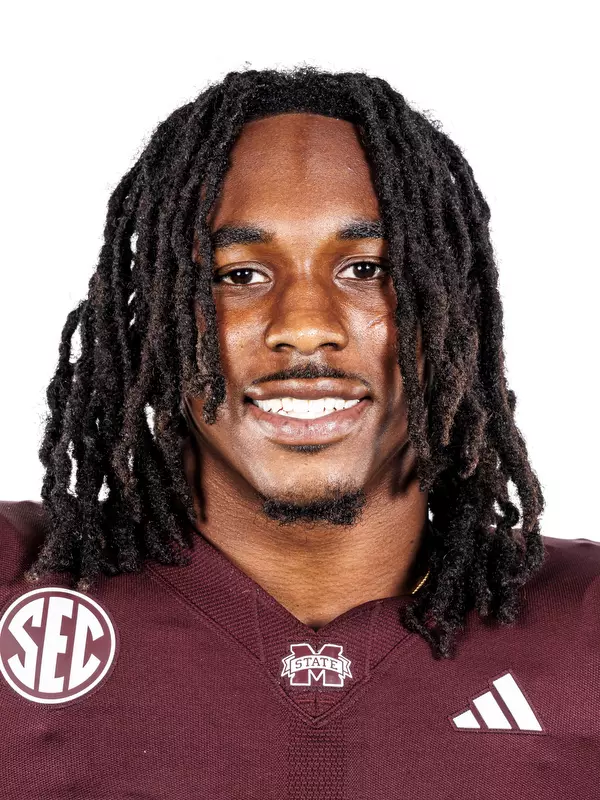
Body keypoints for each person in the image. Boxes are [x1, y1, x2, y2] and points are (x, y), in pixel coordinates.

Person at [0, 66, 597, 799]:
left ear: (452, 314)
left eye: (365, 267)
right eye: (240, 274)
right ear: (154, 315)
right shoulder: (17, 581)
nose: (305, 326)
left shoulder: (585, 629)